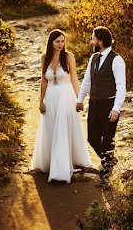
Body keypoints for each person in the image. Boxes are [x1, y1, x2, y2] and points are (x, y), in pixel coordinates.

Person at [30, 29, 92, 183]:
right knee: (51, 127)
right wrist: (41, 101)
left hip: (66, 97)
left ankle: (62, 167)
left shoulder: (69, 56)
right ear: (51, 42)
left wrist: (80, 99)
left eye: (63, 41)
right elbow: (43, 80)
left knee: (63, 129)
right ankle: (50, 163)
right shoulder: (45, 57)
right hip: (51, 97)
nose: (60, 44)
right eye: (57, 41)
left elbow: (75, 79)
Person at [76, 26, 126, 186]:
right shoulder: (94, 58)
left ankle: (106, 175)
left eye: (93, 38)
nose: (91, 41)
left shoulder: (117, 60)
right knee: (92, 138)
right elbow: (87, 81)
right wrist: (80, 99)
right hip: (94, 103)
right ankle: (110, 161)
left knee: (107, 140)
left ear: (100, 41)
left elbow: (121, 86)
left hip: (109, 105)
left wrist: (116, 108)